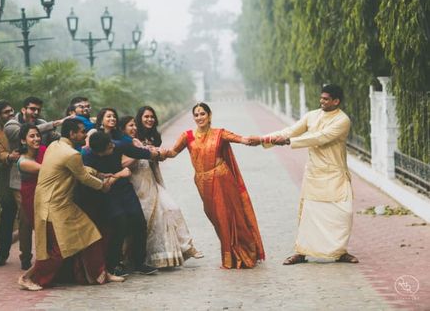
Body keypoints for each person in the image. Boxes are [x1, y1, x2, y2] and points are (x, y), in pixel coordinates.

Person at [249, 84, 359, 265]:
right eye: (321, 98)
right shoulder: (312, 116)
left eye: (325, 99)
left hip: (335, 174)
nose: (321, 101)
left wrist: (289, 141)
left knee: (341, 215)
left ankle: (339, 252)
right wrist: (264, 139)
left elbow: (319, 137)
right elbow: (289, 131)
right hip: (314, 173)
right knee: (309, 215)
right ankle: (302, 253)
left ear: (336, 101)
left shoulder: (342, 120)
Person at [18, 119, 123, 291]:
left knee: (91, 235)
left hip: (58, 202)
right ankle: (30, 278)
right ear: (72, 134)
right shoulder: (71, 154)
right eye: (82, 131)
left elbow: (78, 169)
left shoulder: (55, 145)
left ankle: (100, 273)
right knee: (58, 250)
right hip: (54, 205)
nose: (85, 134)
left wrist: (99, 173)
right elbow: (83, 177)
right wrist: (103, 185)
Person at [164, 102, 265, 269]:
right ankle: (231, 253)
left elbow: (241, 139)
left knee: (232, 217)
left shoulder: (219, 133)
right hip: (203, 184)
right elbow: (173, 152)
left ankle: (242, 254)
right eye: (196, 115)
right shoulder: (187, 136)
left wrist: (261, 140)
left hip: (223, 180)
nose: (199, 117)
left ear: (209, 115)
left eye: (202, 114)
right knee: (217, 218)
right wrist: (151, 152)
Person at [121, 114, 203, 268]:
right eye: (130, 125)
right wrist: (140, 153)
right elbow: (123, 163)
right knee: (150, 220)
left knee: (172, 209)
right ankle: (142, 259)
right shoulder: (121, 143)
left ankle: (185, 247)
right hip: (137, 186)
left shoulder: (137, 141)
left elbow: (154, 156)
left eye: (134, 125)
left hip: (151, 181)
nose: (134, 128)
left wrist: (157, 153)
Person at [81, 130, 160, 276]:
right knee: (120, 223)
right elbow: (96, 182)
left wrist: (155, 153)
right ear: (98, 152)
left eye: (111, 144)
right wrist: (119, 174)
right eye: (109, 148)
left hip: (124, 189)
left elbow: (139, 152)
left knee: (139, 221)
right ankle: (113, 265)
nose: (113, 148)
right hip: (105, 193)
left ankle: (139, 262)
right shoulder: (87, 157)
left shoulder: (117, 145)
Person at [4, 96, 69, 270]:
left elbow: (56, 137)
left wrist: (73, 134)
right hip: (21, 181)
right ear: (23, 109)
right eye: (32, 109)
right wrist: (54, 123)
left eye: (38, 109)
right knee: (27, 220)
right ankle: (26, 258)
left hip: (45, 181)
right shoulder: (11, 124)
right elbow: (23, 133)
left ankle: (49, 255)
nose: (35, 112)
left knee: (45, 219)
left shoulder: (42, 124)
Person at [0, 101, 20, 267]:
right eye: (6, 112)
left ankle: (29, 256)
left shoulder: (22, 126)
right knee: (7, 217)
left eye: (11, 110)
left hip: (28, 177)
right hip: (8, 181)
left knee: (30, 218)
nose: (10, 114)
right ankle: (2, 255)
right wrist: (9, 157)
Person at [17, 124, 47, 226]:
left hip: (48, 194)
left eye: (38, 135)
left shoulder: (43, 150)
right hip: (33, 198)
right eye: (32, 136)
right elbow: (48, 170)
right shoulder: (23, 162)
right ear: (23, 141)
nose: (37, 138)